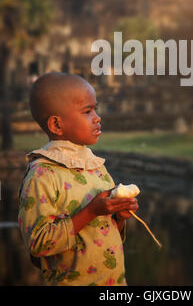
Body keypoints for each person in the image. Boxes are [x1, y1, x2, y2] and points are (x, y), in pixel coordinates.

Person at [18, 72, 138, 286]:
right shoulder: (43, 174)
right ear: (56, 124)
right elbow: (38, 245)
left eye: (96, 109)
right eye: (87, 111)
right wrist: (92, 211)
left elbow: (106, 236)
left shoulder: (96, 167)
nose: (97, 117)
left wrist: (119, 216)